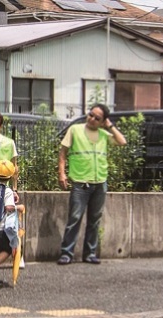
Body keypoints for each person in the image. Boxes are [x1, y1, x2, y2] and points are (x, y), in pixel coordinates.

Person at [57, 103, 127, 265]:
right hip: (80, 182)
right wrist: (62, 173)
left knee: (94, 220)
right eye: (90, 114)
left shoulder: (103, 134)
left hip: (100, 182)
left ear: (103, 122)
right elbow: (63, 152)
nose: (92, 119)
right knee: (74, 218)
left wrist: (110, 126)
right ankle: (67, 253)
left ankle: (90, 253)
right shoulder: (75, 130)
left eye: (97, 118)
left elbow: (122, 142)